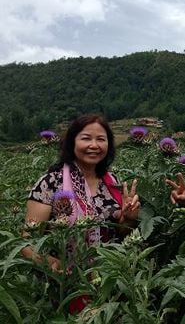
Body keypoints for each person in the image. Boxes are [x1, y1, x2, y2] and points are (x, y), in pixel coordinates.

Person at [21, 114, 140, 272]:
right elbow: (27, 244)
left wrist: (129, 220)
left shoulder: (112, 182)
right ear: (72, 142)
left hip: (107, 280)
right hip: (64, 285)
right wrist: (53, 265)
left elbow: (118, 233)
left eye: (101, 139)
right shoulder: (51, 183)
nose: (94, 145)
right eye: (86, 138)